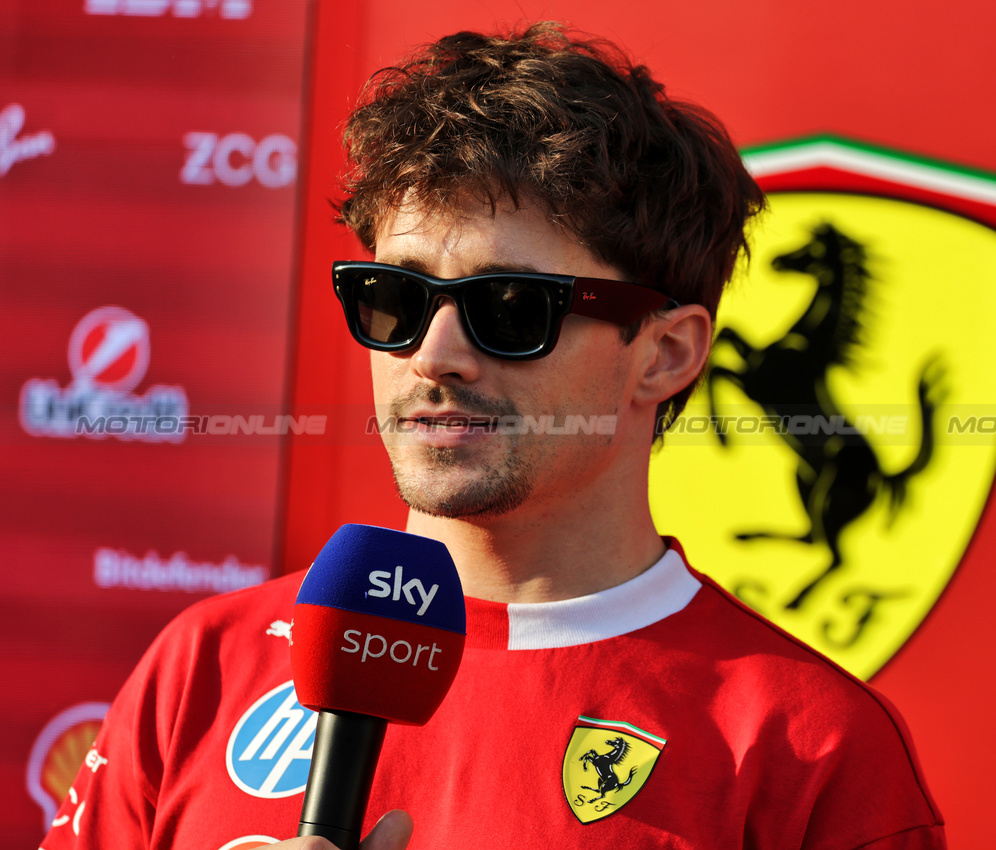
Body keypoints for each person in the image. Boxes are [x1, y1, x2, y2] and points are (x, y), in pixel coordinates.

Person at [41, 23, 945, 850]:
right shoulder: (204, 665)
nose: (434, 355)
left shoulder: (807, 746)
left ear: (666, 354)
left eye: (510, 308)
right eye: (392, 299)